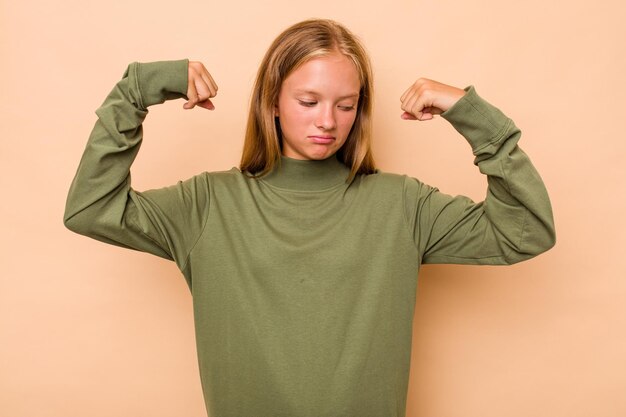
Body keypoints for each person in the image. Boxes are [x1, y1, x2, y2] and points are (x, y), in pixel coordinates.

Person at [64, 18, 555, 417]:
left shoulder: (402, 204)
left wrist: (470, 113)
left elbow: (525, 232)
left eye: (346, 105)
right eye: (308, 101)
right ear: (272, 101)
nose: (328, 121)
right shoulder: (207, 204)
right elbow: (92, 208)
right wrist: (136, 90)